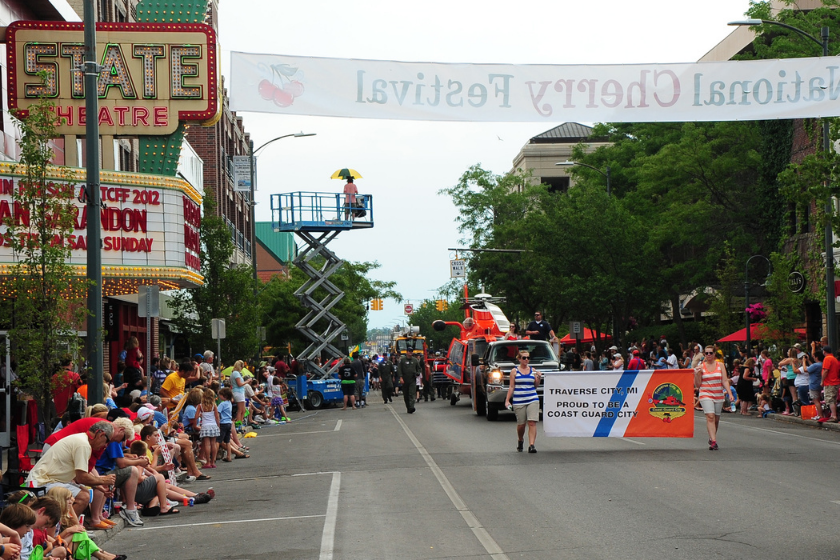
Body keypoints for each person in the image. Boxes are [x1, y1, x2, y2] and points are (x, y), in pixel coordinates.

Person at [24, 422, 117, 525]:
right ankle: (67, 529)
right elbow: (82, 478)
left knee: (83, 491)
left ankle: (67, 526)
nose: (105, 445)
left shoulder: (82, 439)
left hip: (46, 480)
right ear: (101, 435)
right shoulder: (83, 445)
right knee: (83, 497)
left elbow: (78, 478)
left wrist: (101, 487)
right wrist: (103, 480)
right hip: (42, 482)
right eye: (107, 441)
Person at [695, 345, 730, 451]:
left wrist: (730, 393)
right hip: (705, 393)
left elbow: (724, 380)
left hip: (718, 394)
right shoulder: (701, 366)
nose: (709, 355)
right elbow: (698, 385)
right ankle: (714, 441)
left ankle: (712, 436)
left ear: (714, 354)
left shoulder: (720, 365)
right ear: (704, 354)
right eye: (707, 353)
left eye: (711, 353)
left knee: (716, 419)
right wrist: (696, 375)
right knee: (710, 416)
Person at [504, 350, 541, 453]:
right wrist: (507, 400)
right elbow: (511, 386)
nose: (526, 360)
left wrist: (538, 377)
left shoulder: (532, 370)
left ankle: (532, 445)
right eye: (524, 358)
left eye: (528, 358)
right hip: (519, 400)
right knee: (521, 424)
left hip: (532, 398)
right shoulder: (514, 371)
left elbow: (535, 385)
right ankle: (520, 440)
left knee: (532, 422)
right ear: (519, 359)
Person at [197, 389, 220, 469]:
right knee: (213, 443)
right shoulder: (214, 405)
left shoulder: (200, 406)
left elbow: (196, 417)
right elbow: (217, 417)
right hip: (213, 425)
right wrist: (218, 425)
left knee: (207, 444)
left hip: (205, 426)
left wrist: (200, 416)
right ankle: (213, 461)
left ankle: (208, 462)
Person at [820, 345, 840, 423]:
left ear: (824, 351)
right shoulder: (834, 359)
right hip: (835, 381)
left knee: (830, 399)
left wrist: (822, 380)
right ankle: (833, 415)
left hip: (830, 382)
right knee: (833, 399)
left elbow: (826, 370)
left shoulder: (827, 358)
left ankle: (833, 416)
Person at [229, 361, 247, 428]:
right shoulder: (236, 373)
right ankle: (239, 423)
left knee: (243, 410)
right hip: (238, 392)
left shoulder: (235, 373)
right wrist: (247, 381)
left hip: (239, 392)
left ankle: (240, 422)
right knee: (240, 410)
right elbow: (239, 384)